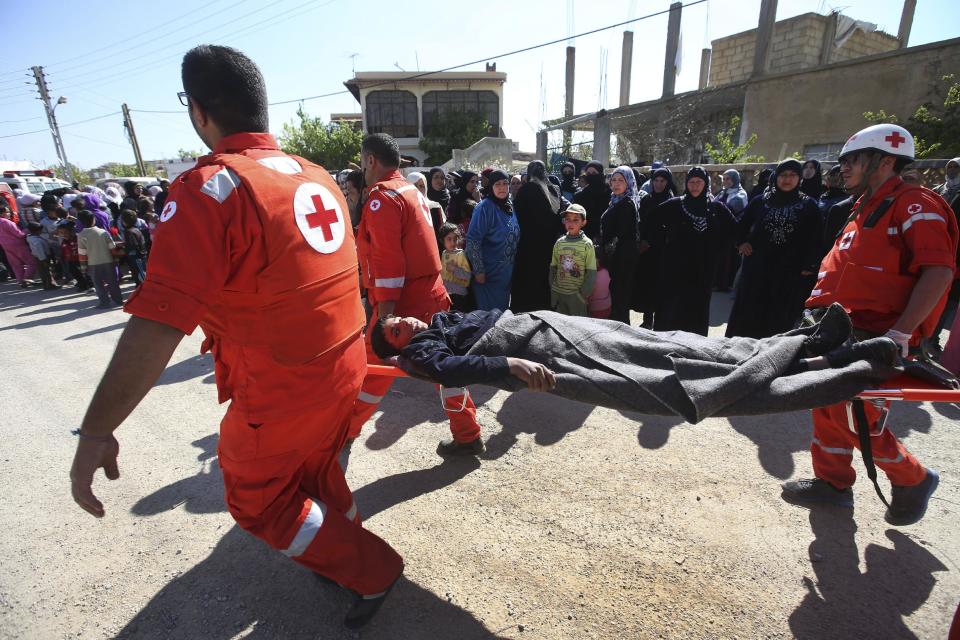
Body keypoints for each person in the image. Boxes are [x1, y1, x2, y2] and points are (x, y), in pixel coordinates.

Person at [67, 46, 403, 630]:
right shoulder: (315, 175)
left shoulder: (208, 190)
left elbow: (157, 324)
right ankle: (340, 542)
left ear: (197, 112)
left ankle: (370, 567)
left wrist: (97, 428)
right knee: (319, 470)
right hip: (342, 366)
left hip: (283, 388)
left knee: (259, 502)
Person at [782, 124, 958, 526]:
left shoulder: (913, 205)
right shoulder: (864, 206)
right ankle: (833, 483)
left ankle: (912, 478)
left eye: (852, 160)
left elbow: (938, 271)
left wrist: (900, 334)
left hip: (877, 336)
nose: (843, 168)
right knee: (825, 405)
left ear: (886, 161)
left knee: (857, 417)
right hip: (840, 330)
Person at [368, 304, 900, 422]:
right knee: (664, 383)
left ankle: (806, 346)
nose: (407, 324)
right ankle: (836, 368)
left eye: (400, 320)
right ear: (396, 346)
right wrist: (509, 364)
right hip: (539, 350)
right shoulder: (419, 352)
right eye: (396, 330)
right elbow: (448, 370)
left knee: (680, 343)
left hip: (554, 324)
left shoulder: (436, 320)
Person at [350, 132, 486, 457]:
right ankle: (468, 434)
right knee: (447, 368)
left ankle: (343, 433)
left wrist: (384, 319)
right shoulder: (411, 190)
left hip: (404, 302)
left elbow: (388, 264)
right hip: (433, 295)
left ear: (371, 160)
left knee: (371, 370)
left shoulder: (383, 197)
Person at [726, 159, 823, 339]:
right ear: (776, 177)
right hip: (757, 266)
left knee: (779, 315)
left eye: (792, 175)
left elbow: (816, 238)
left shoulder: (809, 206)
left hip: (789, 270)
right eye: (783, 175)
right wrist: (742, 243)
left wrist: (809, 264)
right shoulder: (760, 202)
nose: (787, 179)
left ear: (799, 178)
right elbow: (740, 227)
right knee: (749, 312)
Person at [651, 167, 737, 335]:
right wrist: (664, 243)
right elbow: (650, 220)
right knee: (671, 307)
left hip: (703, 269)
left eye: (699, 182)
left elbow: (735, 229)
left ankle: (693, 348)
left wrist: (719, 250)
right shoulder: (675, 204)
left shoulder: (716, 208)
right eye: (691, 182)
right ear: (686, 183)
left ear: (706, 184)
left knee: (697, 307)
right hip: (675, 268)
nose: (695, 186)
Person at [511, 160, 565, 313]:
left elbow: (518, 217)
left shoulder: (526, 189)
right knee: (544, 278)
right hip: (549, 244)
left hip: (528, 245)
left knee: (528, 278)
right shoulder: (554, 189)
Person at [465, 169, 519, 312]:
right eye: (497, 184)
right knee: (487, 319)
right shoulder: (484, 208)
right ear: (491, 186)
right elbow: (472, 240)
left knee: (501, 314)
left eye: (505, 183)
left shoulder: (509, 206)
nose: (502, 187)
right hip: (487, 275)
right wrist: (479, 270)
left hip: (504, 274)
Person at [632, 167, 676, 328]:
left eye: (662, 181)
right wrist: (643, 241)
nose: (658, 184)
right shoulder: (647, 200)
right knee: (648, 285)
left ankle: (662, 320)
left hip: (665, 251)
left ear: (668, 182)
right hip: (647, 251)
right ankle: (647, 318)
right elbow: (642, 223)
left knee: (662, 286)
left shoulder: (674, 202)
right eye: (655, 180)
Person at [599, 166, 644, 324]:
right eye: (614, 180)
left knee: (619, 298)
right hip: (618, 256)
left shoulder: (626, 204)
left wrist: (604, 251)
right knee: (617, 297)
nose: (616, 184)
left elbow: (620, 234)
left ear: (629, 183)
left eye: (621, 180)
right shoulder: (616, 200)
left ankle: (621, 333)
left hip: (621, 258)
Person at [550, 204, 596, 316]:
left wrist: (583, 294)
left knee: (577, 328)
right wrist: (553, 286)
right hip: (559, 295)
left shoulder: (587, 244)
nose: (571, 223)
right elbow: (553, 266)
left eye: (576, 220)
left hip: (577, 297)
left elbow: (591, 271)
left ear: (583, 222)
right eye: (568, 219)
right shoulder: (559, 242)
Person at [712, 169, 749, 293]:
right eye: (724, 179)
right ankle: (716, 282)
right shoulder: (723, 192)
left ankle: (725, 284)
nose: (725, 181)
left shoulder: (740, 194)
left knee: (728, 259)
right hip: (719, 231)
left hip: (731, 232)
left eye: (728, 179)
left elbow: (734, 208)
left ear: (735, 180)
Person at [77, 210, 122, 308]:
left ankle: (104, 303)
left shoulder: (81, 236)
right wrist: (116, 260)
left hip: (92, 264)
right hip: (108, 262)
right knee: (112, 282)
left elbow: (82, 254)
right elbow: (112, 247)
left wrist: (83, 268)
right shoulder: (103, 232)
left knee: (98, 284)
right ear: (94, 219)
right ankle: (118, 300)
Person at [573, 160, 610, 244]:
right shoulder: (580, 196)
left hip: (606, 237)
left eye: (594, 173)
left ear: (600, 173)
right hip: (585, 238)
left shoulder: (610, 193)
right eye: (588, 173)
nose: (591, 176)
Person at [0, 206, 37, 286]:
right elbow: (19, 235)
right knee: (32, 262)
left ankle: (21, 281)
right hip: (18, 244)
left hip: (5, 246)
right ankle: (27, 278)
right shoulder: (7, 222)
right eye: (7, 212)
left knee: (16, 265)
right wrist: (28, 230)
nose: (10, 213)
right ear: (2, 213)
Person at [439, 222, 472, 312]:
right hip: (447, 294)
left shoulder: (460, 255)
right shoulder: (444, 253)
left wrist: (455, 269)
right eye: (449, 239)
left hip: (459, 295)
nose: (453, 242)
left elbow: (468, 275)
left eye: (455, 239)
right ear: (443, 240)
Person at [56, 220, 91, 291]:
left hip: (81, 258)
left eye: (65, 232)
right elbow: (63, 250)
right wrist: (61, 257)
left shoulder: (78, 238)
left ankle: (90, 284)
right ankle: (82, 284)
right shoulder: (64, 241)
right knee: (74, 272)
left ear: (71, 231)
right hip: (71, 260)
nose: (63, 235)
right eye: (61, 233)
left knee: (86, 272)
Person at [26, 222, 59, 289]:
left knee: (42, 272)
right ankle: (50, 285)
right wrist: (43, 260)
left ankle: (46, 285)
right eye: (40, 230)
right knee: (47, 271)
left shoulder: (30, 238)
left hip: (38, 257)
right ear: (37, 231)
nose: (41, 231)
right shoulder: (37, 241)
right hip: (43, 258)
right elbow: (40, 251)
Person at [120, 210, 147, 286]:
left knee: (141, 277)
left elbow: (133, 246)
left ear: (124, 221)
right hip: (142, 255)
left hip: (136, 258)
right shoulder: (136, 229)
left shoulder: (128, 232)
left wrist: (124, 249)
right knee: (142, 274)